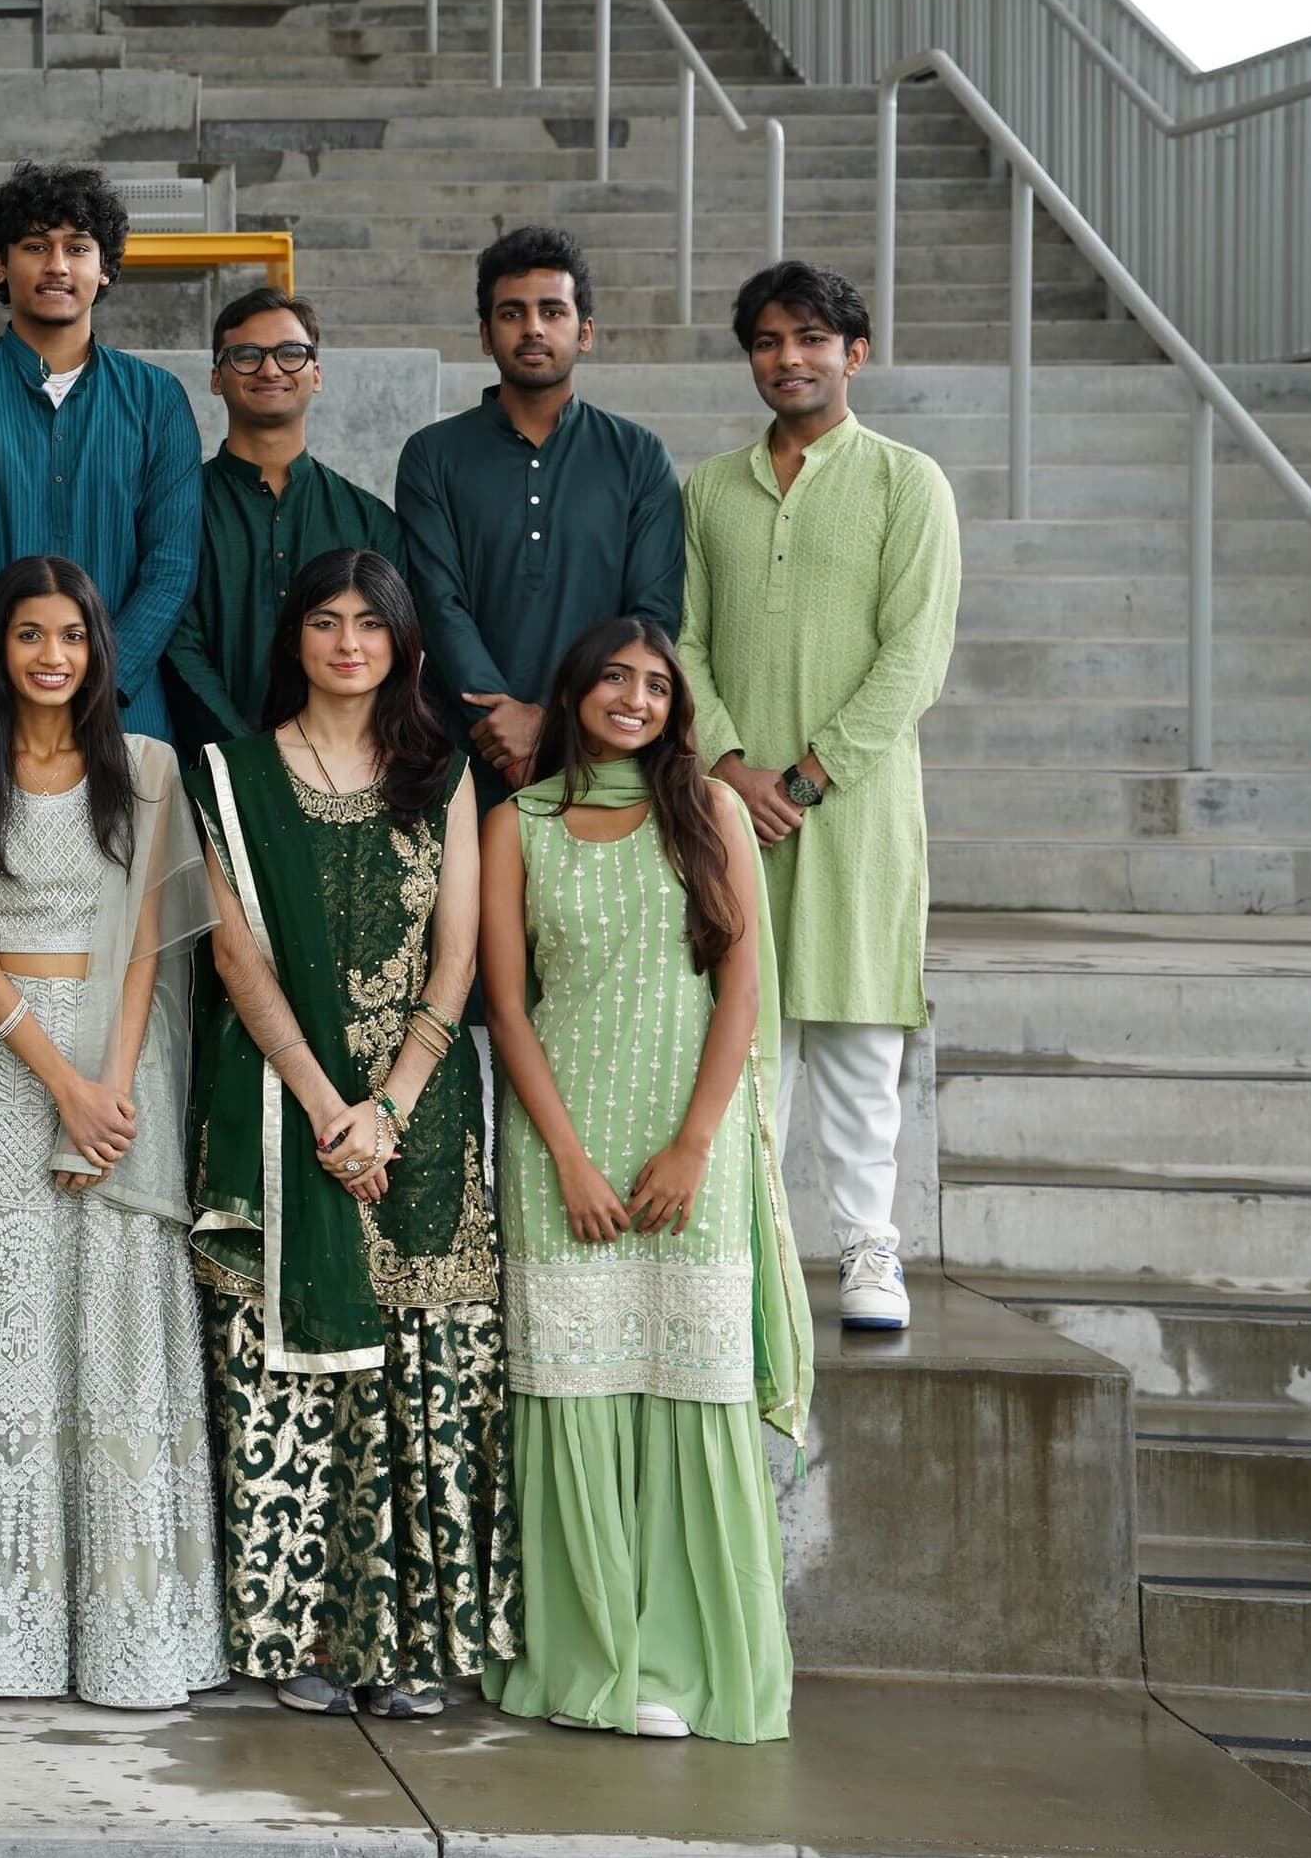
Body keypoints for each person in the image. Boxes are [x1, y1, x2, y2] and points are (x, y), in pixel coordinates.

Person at [182, 548, 511, 1722]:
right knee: (294, 1368)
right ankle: (302, 1640)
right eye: (325, 621)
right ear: (296, 638)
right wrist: (329, 1106)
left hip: (417, 1120)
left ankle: (413, 1644)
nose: (349, 643)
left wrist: (394, 1105)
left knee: (418, 1368)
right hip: (283, 1111)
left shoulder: (442, 772)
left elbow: (459, 955)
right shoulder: (229, 774)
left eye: (371, 623)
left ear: (404, 640)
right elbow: (235, 955)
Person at [481, 618, 811, 1744]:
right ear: (573, 692)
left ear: (677, 706)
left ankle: (676, 1660)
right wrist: (568, 1156)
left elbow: (741, 992)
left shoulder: (710, 811)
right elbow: (507, 1007)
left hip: (685, 1145)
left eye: (657, 684)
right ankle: (586, 1662)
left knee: (685, 1392)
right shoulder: (515, 823)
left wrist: (695, 1142)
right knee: (574, 1393)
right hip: (556, 1146)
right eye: (615, 678)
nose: (634, 697)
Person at [0, 558, 223, 1707]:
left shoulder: (145, 767)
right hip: (2, 1067)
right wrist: (55, 1080)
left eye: (73, 636)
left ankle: (131, 1632)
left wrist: (107, 1084)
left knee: (114, 1330)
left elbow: (149, 942)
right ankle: (14, 1626)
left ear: (99, 650)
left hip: (117, 1058)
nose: (52, 655)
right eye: (30, 635)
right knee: (11, 1323)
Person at [679, 262, 960, 1334]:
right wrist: (736, 766)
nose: (788, 357)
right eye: (766, 340)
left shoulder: (907, 482)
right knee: (744, 1033)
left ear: (856, 351)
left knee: (852, 1036)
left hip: (855, 816)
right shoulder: (711, 489)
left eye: (810, 337)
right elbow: (686, 643)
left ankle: (866, 1250)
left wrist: (807, 774)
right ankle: (748, 1253)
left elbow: (916, 655)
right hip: (731, 809)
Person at [0, 164, 202, 746]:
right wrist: (9, 685)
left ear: (106, 269)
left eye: (78, 247)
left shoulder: (157, 398)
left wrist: (100, 685)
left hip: (121, 715)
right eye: (36, 246)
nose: (57, 265)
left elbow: (170, 569)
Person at [396, 227, 681, 798]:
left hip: (603, 752)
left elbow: (652, 612)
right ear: (485, 334)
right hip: (464, 752)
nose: (533, 327)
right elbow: (437, 601)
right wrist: (499, 717)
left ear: (586, 332)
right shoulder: (432, 454)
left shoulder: (638, 455)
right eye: (512, 313)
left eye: (553, 311)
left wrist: (556, 720)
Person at [164, 285, 401, 753]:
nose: (270, 368)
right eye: (247, 355)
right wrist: (249, 756)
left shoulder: (370, 521)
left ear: (316, 374)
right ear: (216, 377)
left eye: (291, 353)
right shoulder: (175, 509)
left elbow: (395, 651)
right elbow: (175, 644)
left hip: (349, 771)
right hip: (207, 772)